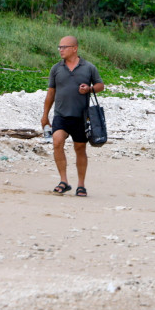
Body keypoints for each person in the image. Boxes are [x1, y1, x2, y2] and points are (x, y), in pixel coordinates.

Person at [40, 35, 104, 197]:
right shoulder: (56, 69)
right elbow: (51, 93)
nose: (60, 50)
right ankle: (64, 181)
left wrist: (89, 89)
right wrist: (45, 115)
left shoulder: (89, 67)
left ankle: (81, 185)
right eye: (59, 47)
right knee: (57, 142)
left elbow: (100, 86)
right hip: (61, 115)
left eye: (64, 47)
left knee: (80, 149)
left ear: (74, 49)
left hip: (81, 117)